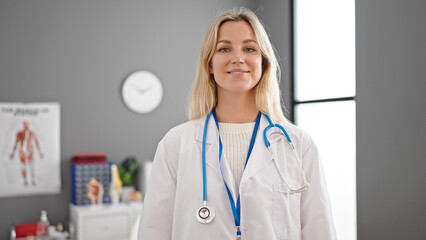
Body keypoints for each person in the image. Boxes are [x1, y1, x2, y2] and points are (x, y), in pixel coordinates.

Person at [138, 8, 336, 240]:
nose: (238, 58)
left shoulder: (299, 144)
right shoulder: (176, 143)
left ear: (263, 62)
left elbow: (319, 230)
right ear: (210, 64)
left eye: (249, 48)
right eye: (224, 48)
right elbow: (154, 231)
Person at [10, 120, 44, 186]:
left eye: (27, 125)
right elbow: (16, 143)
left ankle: (33, 180)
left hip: (30, 151)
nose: (26, 126)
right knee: (23, 166)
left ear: (28, 125)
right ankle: (25, 181)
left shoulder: (32, 133)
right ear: (23, 125)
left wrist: (40, 152)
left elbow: (36, 142)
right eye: (25, 125)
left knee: (32, 166)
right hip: (22, 151)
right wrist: (13, 153)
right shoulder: (19, 133)